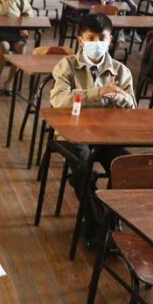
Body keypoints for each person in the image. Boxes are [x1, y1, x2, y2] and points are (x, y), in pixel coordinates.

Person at [50, 14, 135, 244]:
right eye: (91, 38)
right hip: (71, 135)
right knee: (83, 169)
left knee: (126, 167)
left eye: (102, 38)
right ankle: (101, 230)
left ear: (110, 40)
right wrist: (99, 93)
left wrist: (123, 98)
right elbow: (59, 100)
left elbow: (132, 111)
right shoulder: (66, 66)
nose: (96, 42)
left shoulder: (121, 71)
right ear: (80, 40)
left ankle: (106, 221)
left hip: (108, 136)